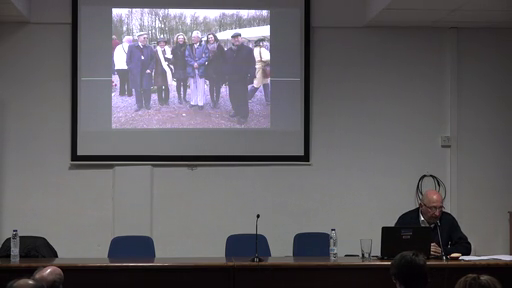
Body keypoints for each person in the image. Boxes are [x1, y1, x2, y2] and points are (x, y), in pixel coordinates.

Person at [395, 189, 472, 257]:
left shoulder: (447, 220)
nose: (437, 213)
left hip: (441, 269)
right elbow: (394, 248)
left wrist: (442, 251)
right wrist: (423, 250)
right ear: (421, 206)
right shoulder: (406, 220)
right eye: (433, 208)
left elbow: (465, 247)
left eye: (440, 208)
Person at [225, 32, 255, 125]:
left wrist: (251, 76)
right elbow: (225, 65)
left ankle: (243, 115)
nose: (236, 39)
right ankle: (236, 111)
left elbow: (252, 64)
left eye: (238, 38)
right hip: (231, 78)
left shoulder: (248, 50)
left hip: (242, 78)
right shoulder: (228, 51)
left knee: (242, 97)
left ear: (241, 39)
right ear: (231, 40)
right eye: (234, 38)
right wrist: (225, 76)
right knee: (233, 96)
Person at [126, 32, 155, 111]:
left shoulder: (149, 47)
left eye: (146, 38)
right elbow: (128, 59)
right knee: (137, 88)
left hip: (146, 71)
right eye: (144, 38)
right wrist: (131, 68)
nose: (146, 39)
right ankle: (139, 105)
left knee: (147, 88)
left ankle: (147, 104)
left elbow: (153, 60)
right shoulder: (132, 47)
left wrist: (150, 69)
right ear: (139, 38)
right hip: (136, 72)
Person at [185, 31, 209, 111]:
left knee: (201, 86)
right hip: (191, 68)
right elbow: (187, 57)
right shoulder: (189, 47)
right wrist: (193, 64)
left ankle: (200, 103)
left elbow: (206, 56)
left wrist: (198, 63)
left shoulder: (204, 46)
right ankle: (193, 102)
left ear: (198, 38)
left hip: (200, 68)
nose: (192, 39)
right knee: (192, 86)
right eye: (192, 37)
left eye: (194, 37)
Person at [204, 32, 226, 109]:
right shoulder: (206, 47)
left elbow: (224, 57)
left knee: (217, 86)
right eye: (209, 38)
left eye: (211, 37)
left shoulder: (219, 46)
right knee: (211, 85)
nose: (210, 39)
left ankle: (217, 101)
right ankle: (212, 101)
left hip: (218, 69)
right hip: (210, 69)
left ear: (214, 38)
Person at [247, 38, 270, 105]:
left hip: (257, 68)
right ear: (261, 43)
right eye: (263, 42)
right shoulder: (262, 50)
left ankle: (268, 100)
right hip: (262, 68)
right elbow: (267, 58)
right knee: (257, 84)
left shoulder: (254, 50)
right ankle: (247, 97)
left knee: (265, 84)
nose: (265, 43)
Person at [153, 38, 173, 106]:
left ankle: (166, 100)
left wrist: (169, 61)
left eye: (163, 43)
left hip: (166, 71)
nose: (162, 44)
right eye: (160, 43)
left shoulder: (168, 50)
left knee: (166, 86)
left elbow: (172, 60)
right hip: (159, 71)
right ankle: (160, 100)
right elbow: (153, 61)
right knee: (159, 87)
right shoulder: (155, 51)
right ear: (158, 44)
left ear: (165, 43)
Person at [171, 33, 189, 104]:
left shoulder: (187, 47)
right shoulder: (174, 48)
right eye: (179, 38)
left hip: (185, 67)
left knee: (185, 83)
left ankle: (184, 97)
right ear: (177, 40)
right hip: (177, 67)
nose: (181, 39)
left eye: (182, 38)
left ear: (184, 39)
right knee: (178, 84)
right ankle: (179, 98)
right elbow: (172, 57)